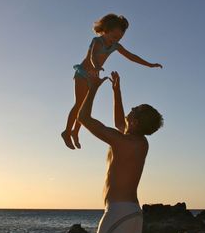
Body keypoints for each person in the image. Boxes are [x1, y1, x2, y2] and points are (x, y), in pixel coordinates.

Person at [77, 71, 163, 233]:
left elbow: (83, 118)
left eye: (135, 110)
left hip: (118, 212)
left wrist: (92, 88)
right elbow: (120, 123)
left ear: (135, 122)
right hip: (132, 214)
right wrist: (116, 91)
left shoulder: (123, 142)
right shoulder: (140, 143)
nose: (131, 109)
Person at [61, 13, 163, 150]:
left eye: (119, 38)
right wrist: (96, 66)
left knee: (84, 106)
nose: (115, 40)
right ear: (105, 31)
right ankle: (67, 132)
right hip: (83, 74)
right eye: (114, 37)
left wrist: (149, 64)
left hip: (93, 77)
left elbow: (131, 56)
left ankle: (75, 132)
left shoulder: (115, 46)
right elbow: (92, 56)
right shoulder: (97, 41)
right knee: (79, 104)